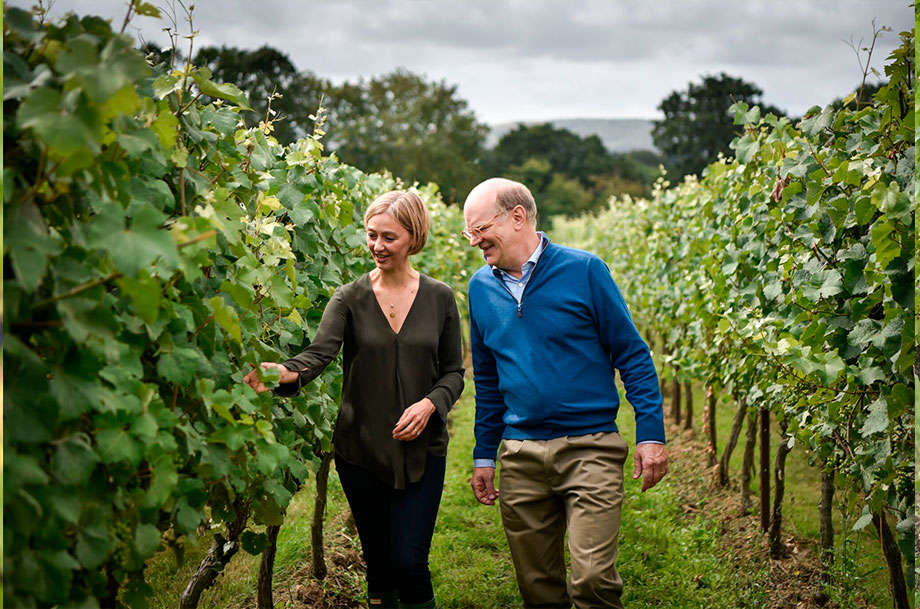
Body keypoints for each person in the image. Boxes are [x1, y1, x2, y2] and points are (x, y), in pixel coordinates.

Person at [244, 190, 464, 609]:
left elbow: (454, 371)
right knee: (380, 564)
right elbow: (318, 354)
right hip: (361, 450)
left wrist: (430, 403)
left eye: (389, 237)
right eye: (371, 235)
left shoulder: (440, 298)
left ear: (413, 237)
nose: (377, 246)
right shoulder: (349, 298)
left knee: (410, 560)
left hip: (423, 449)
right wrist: (280, 372)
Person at [462, 178, 668, 609]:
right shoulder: (480, 287)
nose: (474, 241)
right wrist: (484, 455)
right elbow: (487, 379)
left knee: (592, 580)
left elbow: (632, 355)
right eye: (469, 233)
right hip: (520, 455)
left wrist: (650, 435)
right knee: (538, 586)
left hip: (590, 447)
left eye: (480, 229)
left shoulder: (585, 270)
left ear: (518, 217)